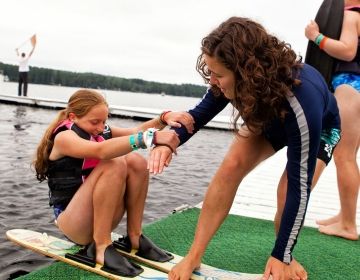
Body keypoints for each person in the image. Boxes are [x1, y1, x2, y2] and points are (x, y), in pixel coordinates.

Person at [148, 17, 341, 280]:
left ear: (247, 71)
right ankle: (194, 255)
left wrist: (281, 255)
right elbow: (200, 114)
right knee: (230, 168)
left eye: (219, 75)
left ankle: (284, 255)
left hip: (318, 129)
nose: (213, 81)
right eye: (210, 72)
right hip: (271, 118)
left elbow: (300, 185)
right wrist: (171, 139)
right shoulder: (227, 77)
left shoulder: (301, 102)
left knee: (287, 191)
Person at [32, 88, 192, 277]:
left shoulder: (100, 130)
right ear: (73, 117)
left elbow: (134, 132)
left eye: (104, 121)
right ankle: (101, 247)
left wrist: (163, 118)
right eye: (95, 122)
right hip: (74, 224)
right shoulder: (64, 137)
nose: (101, 128)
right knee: (113, 162)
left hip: (101, 218)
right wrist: (150, 138)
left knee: (136, 162)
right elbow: (101, 151)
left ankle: (134, 237)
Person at [299, 0, 360, 241]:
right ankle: (345, 216)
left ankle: (347, 224)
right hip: (356, 88)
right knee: (349, 155)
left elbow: (347, 51)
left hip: (349, 85)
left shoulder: (350, 16)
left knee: (344, 156)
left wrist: (315, 36)